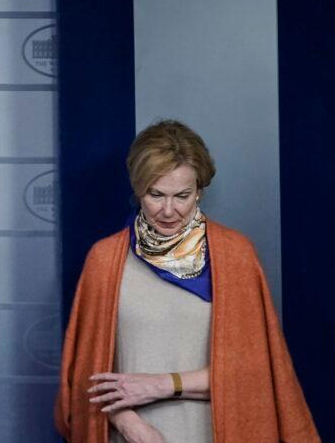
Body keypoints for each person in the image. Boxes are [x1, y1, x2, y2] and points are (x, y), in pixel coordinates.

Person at [55, 121, 317, 442]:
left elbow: (258, 377)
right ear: (138, 189)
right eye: (156, 195)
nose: (168, 210)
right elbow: (86, 374)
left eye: (182, 195)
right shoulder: (105, 259)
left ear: (200, 190)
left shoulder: (236, 255)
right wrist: (127, 424)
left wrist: (162, 384)